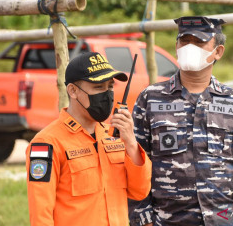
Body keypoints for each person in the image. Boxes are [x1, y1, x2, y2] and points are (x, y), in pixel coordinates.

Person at [128, 16, 233, 226]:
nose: (189, 47)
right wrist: (144, 219)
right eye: (184, 41)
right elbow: (134, 161)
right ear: (176, 46)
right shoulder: (150, 99)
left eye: (199, 42)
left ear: (218, 51)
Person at [26, 52, 152, 226]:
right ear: (73, 91)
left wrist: (131, 143)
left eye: (110, 87)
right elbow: (41, 214)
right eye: (98, 87)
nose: (107, 94)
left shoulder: (116, 137)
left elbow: (140, 191)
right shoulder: (47, 143)